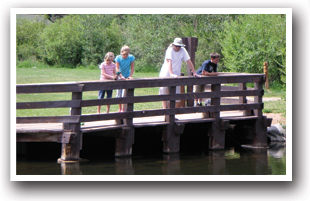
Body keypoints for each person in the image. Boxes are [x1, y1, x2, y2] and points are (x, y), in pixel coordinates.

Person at [159, 38, 199, 109]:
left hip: (176, 74)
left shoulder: (183, 50)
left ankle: (171, 112)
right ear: (173, 45)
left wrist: (194, 72)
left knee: (175, 95)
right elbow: (169, 62)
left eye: (179, 46)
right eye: (177, 46)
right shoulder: (170, 50)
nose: (178, 48)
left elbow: (189, 61)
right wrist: (171, 73)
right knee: (164, 92)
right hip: (166, 72)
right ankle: (165, 111)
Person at [115, 45, 135, 112]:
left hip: (127, 75)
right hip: (120, 76)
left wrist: (130, 76)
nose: (125, 56)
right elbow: (117, 68)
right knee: (119, 93)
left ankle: (123, 109)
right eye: (124, 54)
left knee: (125, 94)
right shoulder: (118, 58)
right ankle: (120, 108)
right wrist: (120, 76)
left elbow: (132, 67)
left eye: (127, 54)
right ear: (121, 53)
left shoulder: (131, 58)